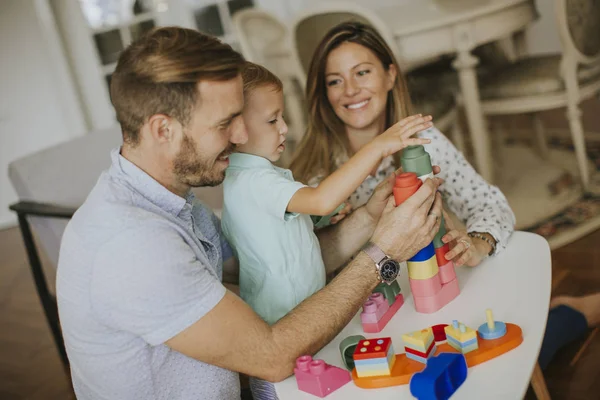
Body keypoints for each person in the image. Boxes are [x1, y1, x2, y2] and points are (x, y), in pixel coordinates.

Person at [56, 27, 445, 399]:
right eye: (225, 123)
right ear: (163, 130)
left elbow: (268, 264)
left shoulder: (176, 201)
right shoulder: (132, 244)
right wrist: (383, 254)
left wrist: (367, 219)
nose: (241, 137)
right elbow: (272, 355)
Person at [221, 62, 432, 398]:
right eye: (273, 120)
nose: (285, 128)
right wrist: (377, 146)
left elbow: (299, 226)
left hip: (304, 319)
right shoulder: (254, 181)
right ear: (236, 130)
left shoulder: (254, 178)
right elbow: (320, 200)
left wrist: (367, 211)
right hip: (288, 329)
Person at [290, 22, 516, 267]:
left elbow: (489, 203)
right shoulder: (316, 174)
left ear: (390, 76)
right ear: (324, 94)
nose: (351, 90)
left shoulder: (422, 142)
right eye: (335, 81)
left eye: (362, 72)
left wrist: (476, 245)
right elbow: (308, 263)